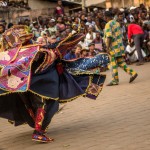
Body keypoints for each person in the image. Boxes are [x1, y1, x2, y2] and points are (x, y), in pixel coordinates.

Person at [104, 11, 138, 86]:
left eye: (105, 17)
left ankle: (115, 80)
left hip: (113, 47)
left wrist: (107, 48)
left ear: (106, 17)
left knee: (113, 64)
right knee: (121, 63)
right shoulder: (116, 23)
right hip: (119, 46)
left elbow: (109, 36)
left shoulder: (108, 24)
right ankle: (133, 73)